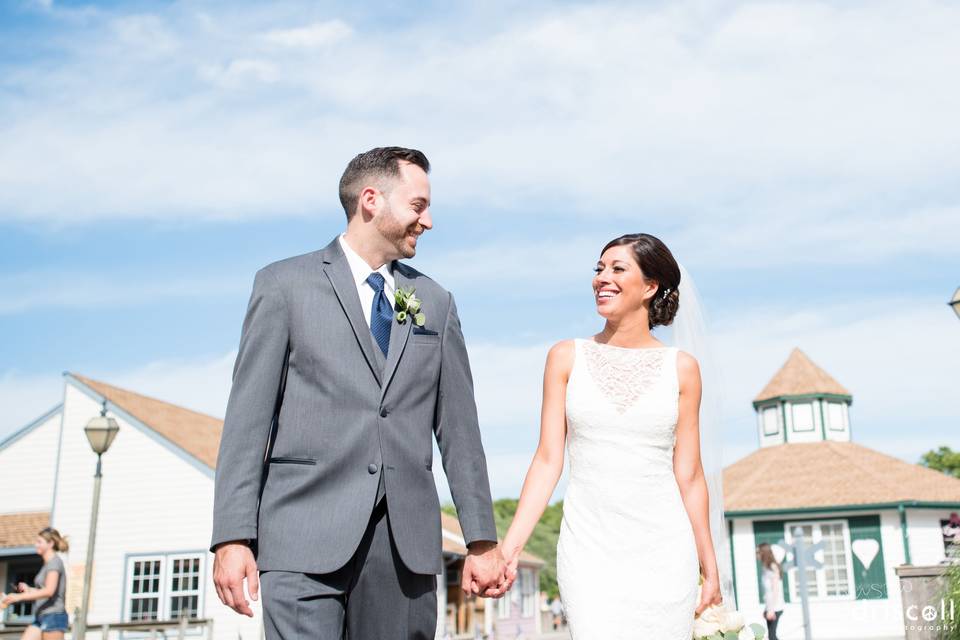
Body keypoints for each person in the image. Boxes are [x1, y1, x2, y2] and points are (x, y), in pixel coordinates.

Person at [210, 147, 507, 639]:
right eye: (418, 205)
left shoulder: (436, 302)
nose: (428, 221)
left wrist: (480, 539)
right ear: (371, 199)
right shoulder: (283, 285)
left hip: (403, 548)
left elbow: (459, 431)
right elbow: (248, 421)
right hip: (300, 536)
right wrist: (233, 536)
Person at [500, 233, 722, 639]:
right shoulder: (565, 357)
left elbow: (689, 475)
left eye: (618, 269)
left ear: (650, 287)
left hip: (665, 551)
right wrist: (510, 548)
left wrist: (710, 568)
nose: (603, 278)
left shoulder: (682, 369)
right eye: (599, 269)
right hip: (589, 550)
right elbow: (548, 459)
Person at [0, 528, 69, 640]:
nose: (35, 545)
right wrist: (29, 589)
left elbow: (49, 591)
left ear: (50, 543)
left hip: (53, 616)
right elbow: (44, 590)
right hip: (41, 616)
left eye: (39, 542)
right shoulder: (47, 565)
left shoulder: (54, 563)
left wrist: (19, 597)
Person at [757, 543, 784, 640]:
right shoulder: (765, 568)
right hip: (770, 607)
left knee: (772, 637)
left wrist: (771, 610)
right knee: (771, 636)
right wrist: (767, 609)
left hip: (775, 607)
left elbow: (775, 590)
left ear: (765, 553)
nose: (757, 555)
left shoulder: (773, 567)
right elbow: (767, 593)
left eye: (758, 552)